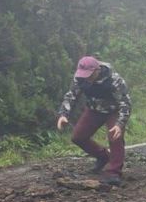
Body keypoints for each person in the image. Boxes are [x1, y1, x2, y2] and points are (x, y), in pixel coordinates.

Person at [55, 56, 131, 185]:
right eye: (84, 75)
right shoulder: (80, 78)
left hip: (114, 110)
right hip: (94, 110)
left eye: (89, 75)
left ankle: (114, 172)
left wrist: (120, 124)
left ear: (97, 70)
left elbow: (125, 103)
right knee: (78, 137)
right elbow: (71, 95)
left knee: (115, 137)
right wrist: (63, 114)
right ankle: (103, 157)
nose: (87, 78)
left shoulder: (114, 80)